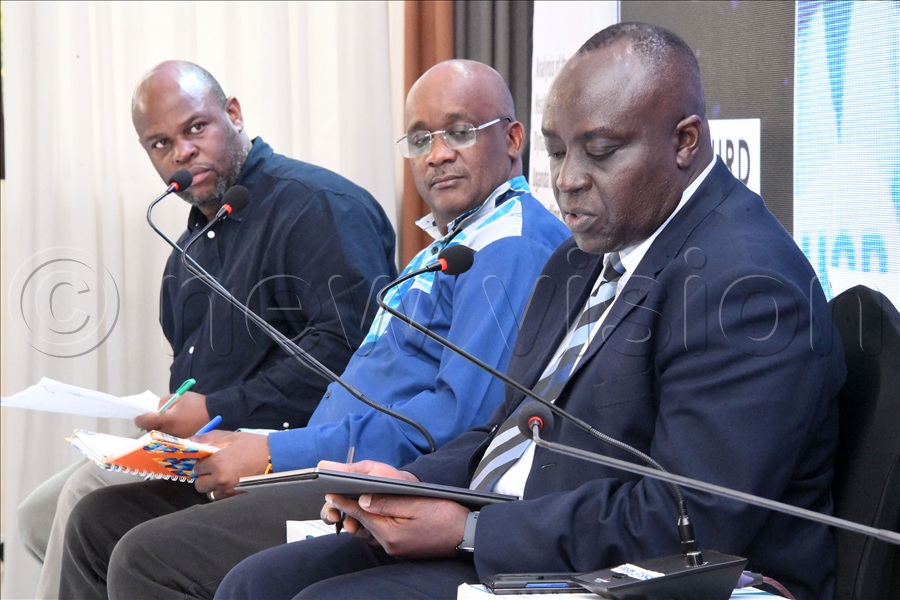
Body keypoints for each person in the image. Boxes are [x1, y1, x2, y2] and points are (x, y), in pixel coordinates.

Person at [213, 22, 847, 600]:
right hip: (529, 531)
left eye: (600, 151)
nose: (567, 179)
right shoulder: (580, 257)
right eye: (558, 151)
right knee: (256, 584)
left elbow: (690, 518)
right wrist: (407, 484)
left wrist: (469, 530)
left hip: (664, 575)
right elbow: (508, 428)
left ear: (684, 141)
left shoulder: (748, 284)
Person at [57, 59, 570, 599]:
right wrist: (266, 446)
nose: (437, 154)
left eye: (459, 132)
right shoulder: (453, 245)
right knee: (98, 521)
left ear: (513, 138)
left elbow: (451, 426)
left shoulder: (510, 245)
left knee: (146, 558)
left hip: (376, 486)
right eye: (420, 140)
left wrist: (275, 455)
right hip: (320, 464)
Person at [18, 60, 398, 599]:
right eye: (160, 143)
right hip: (198, 446)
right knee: (35, 515)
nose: (182, 152)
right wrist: (174, 410)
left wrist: (219, 406)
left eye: (196, 128)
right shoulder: (191, 246)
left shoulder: (318, 206)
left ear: (234, 114)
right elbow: (193, 370)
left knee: (84, 497)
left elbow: (346, 353)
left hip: (286, 450)